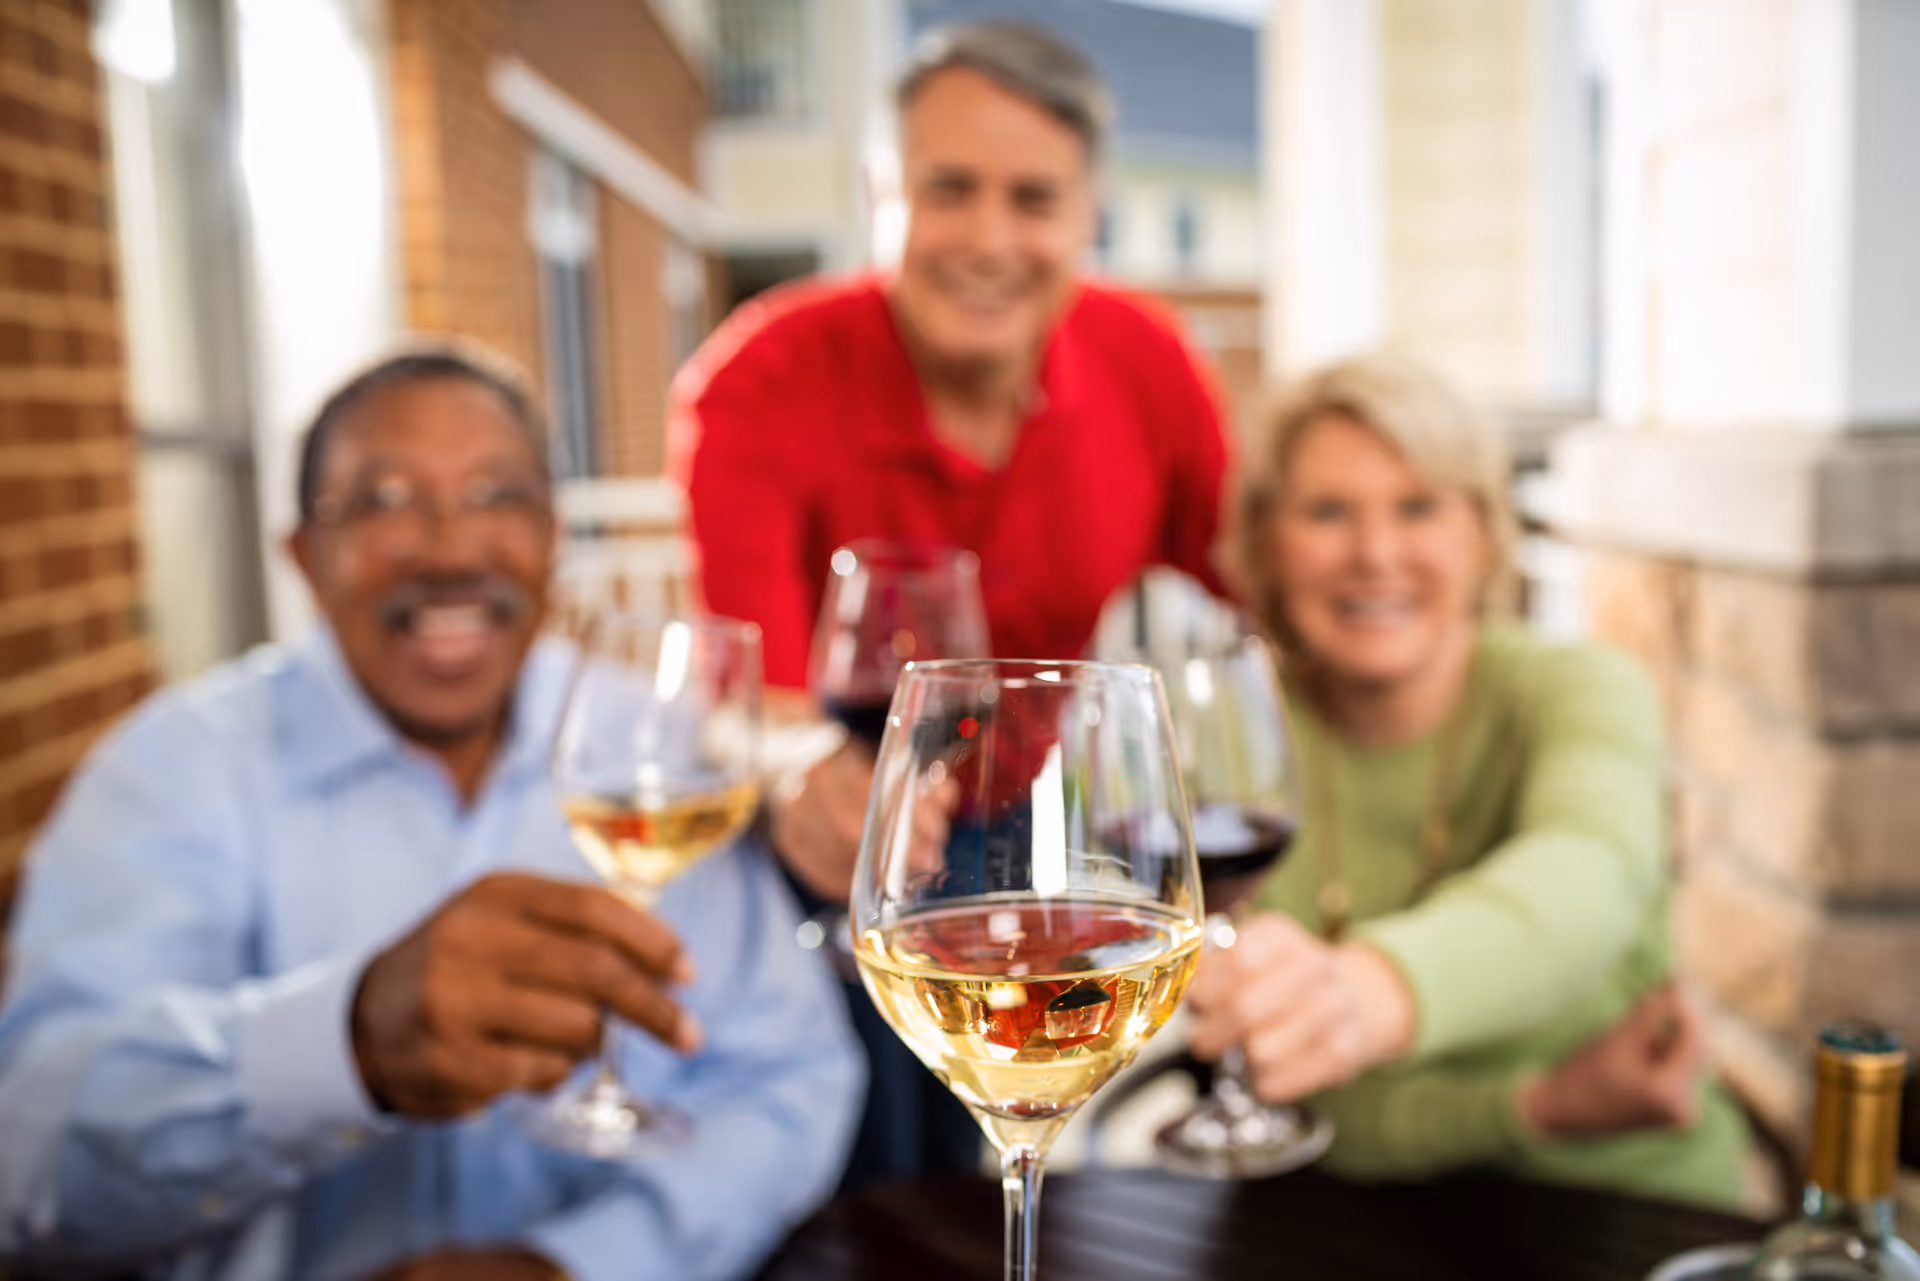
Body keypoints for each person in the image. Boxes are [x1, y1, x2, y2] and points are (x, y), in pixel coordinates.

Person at [0, 349, 861, 1280]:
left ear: (550, 537)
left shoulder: (663, 750)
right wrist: (347, 1041)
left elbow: (794, 1077)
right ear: (304, 556)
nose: (451, 550)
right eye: (383, 501)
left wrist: (585, 1262)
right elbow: (29, 1156)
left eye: (495, 496)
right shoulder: (170, 770)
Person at [669, 23, 1232, 1186]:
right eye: (949, 190)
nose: (988, 238)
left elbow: (1250, 598)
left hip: (1039, 825)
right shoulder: (757, 380)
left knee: (1015, 1163)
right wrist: (789, 769)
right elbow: (748, 697)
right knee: (855, 1164)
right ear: (883, 195)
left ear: (1087, 217)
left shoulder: (1153, 365)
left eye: (1033, 198)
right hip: (826, 847)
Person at [1184, 351, 1748, 1206]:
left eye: (1419, 507)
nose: (1376, 553)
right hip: (1337, 1217)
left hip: (1625, 1204)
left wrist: (1366, 993)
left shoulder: (1580, 687)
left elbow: (1586, 874)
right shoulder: (1236, 737)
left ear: (1483, 533)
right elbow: (1289, 1092)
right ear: (1263, 537)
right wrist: (1539, 1104)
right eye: (1329, 510)